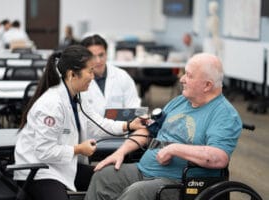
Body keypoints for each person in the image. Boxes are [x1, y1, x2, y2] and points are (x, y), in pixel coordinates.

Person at [84, 53, 243, 200]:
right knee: (103, 176)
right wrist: (120, 152)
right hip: (143, 169)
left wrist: (174, 149)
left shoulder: (224, 114)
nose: (181, 79)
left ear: (207, 85)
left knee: (137, 193)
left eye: (189, 75)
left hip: (179, 182)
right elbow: (148, 129)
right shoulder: (180, 101)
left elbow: (219, 158)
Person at [13, 45, 146, 200]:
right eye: (89, 71)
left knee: (108, 180)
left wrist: (129, 125)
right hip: (37, 171)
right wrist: (78, 149)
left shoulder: (77, 98)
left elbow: (97, 123)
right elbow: (44, 151)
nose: (93, 76)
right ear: (72, 74)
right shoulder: (52, 104)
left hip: (60, 165)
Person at [80, 34, 141, 119]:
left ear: (106, 53)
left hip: (121, 130)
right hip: (90, 131)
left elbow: (135, 109)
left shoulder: (122, 76)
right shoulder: (79, 81)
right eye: (93, 57)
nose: (98, 61)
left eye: (101, 55)